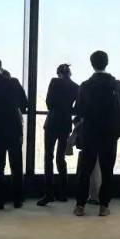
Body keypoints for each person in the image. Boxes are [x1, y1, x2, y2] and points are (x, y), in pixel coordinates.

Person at [73, 50, 120, 217]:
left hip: (90, 132)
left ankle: (80, 206)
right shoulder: (115, 84)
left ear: (92, 64)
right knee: (107, 170)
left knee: (85, 170)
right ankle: (104, 206)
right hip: (109, 133)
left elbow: (79, 110)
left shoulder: (85, 85)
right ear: (107, 63)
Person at [0, 56, 28, 209]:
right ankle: (18, 199)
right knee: (16, 165)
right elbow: (24, 104)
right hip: (14, 128)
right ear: (0, 66)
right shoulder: (14, 82)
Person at [38, 63, 79, 206]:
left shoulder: (54, 82)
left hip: (52, 122)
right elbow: (77, 108)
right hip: (65, 124)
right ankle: (63, 193)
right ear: (69, 73)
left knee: (48, 157)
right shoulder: (75, 86)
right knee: (60, 158)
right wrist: (67, 110)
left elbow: (49, 102)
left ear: (59, 73)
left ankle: (49, 193)